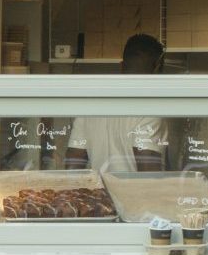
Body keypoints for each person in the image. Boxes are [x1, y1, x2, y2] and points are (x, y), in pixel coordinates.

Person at [64, 33, 171, 174]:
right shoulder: (150, 109)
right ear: (158, 69)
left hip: (100, 194)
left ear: (121, 66)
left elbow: (74, 162)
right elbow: (148, 171)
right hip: (133, 196)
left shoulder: (91, 103)